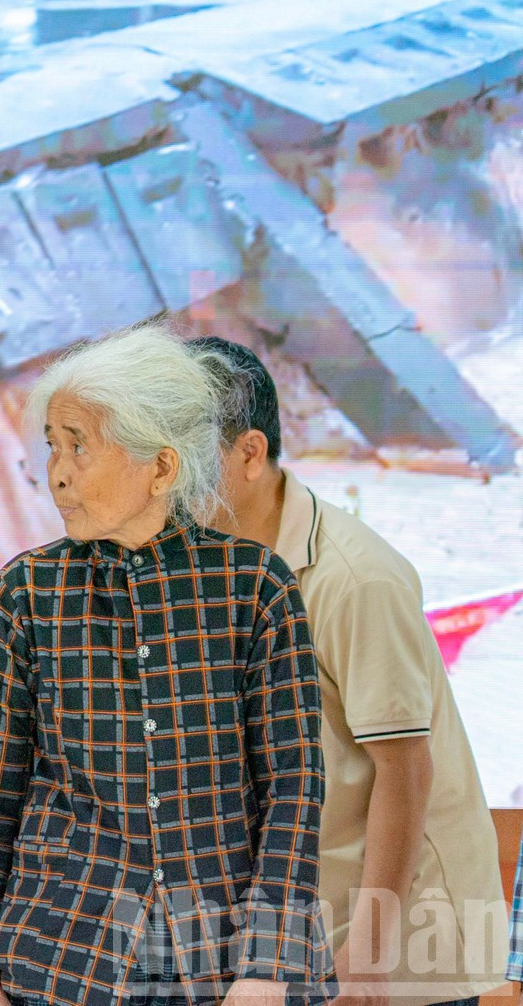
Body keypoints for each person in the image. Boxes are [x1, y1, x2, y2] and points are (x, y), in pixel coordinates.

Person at [0, 325, 328, 1006]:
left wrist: (268, 964)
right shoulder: (27, 591)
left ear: (162, 465)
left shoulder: (255, 587)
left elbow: (293, 787)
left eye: (80, 445)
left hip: (223, 965)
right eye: (52, 446)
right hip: (61, 958)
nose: (57, 471)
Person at [197, 336, 505, 1006]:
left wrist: (365, 958)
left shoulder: (356, 577)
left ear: (249, 453)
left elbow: (405, 770)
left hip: (397, 943)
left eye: (180, 455)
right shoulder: (205, 565)